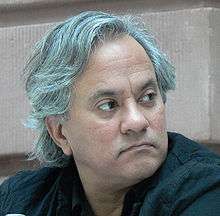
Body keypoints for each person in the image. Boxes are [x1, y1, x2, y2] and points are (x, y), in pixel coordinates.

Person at [0, 11, 220, 216]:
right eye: (108, 105)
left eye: (148, 97)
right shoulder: (21, 201)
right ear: (60, 133)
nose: (137, 121)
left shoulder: (206, 191)